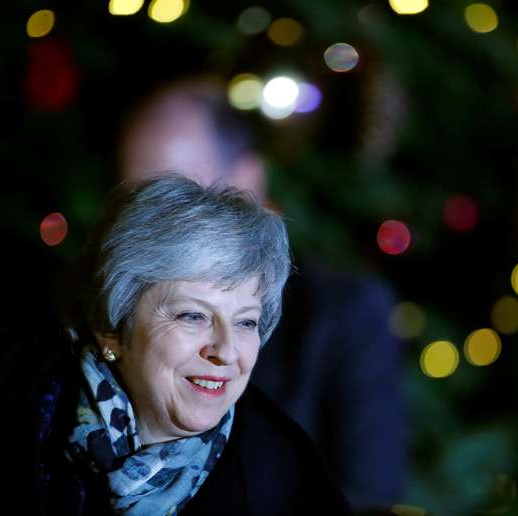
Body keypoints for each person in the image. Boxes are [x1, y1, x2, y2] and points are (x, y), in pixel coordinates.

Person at [118, 77, 408, 511]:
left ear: (248, 181)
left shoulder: (343, 311)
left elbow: (369, 496)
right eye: (133, 202)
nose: (149, 230)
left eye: (177, 199)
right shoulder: (98, 316)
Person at [0, 175, 351, 515]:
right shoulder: (0, 404)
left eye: (246, 322)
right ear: (111, 327)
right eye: (193, 316)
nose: (225, 351)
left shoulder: (291, 480)